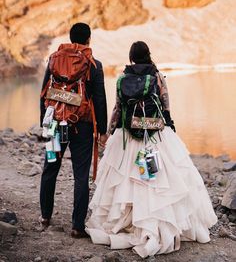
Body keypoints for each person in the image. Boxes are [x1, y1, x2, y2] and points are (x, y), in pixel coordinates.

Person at [86, 41, 217, 257]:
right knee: (158, 180)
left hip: (128, 135)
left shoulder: (122, 79)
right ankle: (159, 221)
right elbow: (165, 106)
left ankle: (129, 221)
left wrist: (109, 132)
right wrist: (170, 125)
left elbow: (118, 110)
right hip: (154, 133)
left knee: (126, 178)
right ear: (148, 55)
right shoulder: (157, 77)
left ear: (131, 58)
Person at [39, 23, 107, 238]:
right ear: (89, 39)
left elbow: (44, 92)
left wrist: (44, 121)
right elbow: (100, 99)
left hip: (55, 123)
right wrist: (102, 130)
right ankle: (77, 226)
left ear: (70, 37)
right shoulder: (93, 64)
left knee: (51, 167)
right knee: (80, 175)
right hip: (82, 124)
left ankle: (45, 216)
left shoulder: (54, 58)